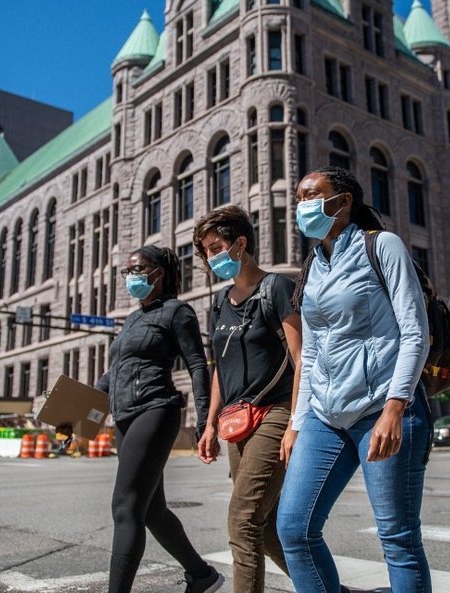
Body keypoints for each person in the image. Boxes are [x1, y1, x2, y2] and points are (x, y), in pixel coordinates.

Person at [277, 166, 433, 593]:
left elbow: (414, 329)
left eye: (311, 195)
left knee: (398, 539)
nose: (301, 206)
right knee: (294, 528)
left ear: (343, 202)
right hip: (324, 418)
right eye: (298, 199)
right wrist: (296, 423)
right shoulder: (313, 266)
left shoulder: (381, 246)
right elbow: (310, 354)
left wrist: (396, 407)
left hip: (382, 408)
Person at [95, 245, 223, 593]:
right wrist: (73, 408)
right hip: (124, 415)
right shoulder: (134, 318)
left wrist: (203, 423)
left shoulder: (176, 312)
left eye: (138, 269)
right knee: (152, 511)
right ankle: (202, 575)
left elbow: (198, 364)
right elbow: (112, 375)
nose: (131, 277)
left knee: (125, 507)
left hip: (156, 409)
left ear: (159, 273)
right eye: (128, 272)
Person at [192, 205, 302, 593]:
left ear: (241, 243)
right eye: (206, 250)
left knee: (242, 522)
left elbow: (301, 356)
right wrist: (208, 422)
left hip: (275, 411)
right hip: (236, 420)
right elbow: (220, 367)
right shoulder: (220, 303)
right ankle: (325, 587)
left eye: (217, 246)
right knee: (265, 527)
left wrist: (295, 422)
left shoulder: (278, 288)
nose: (211, 256)